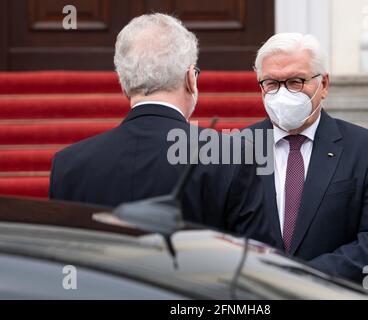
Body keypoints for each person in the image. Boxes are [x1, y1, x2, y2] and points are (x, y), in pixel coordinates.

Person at [49, 13, 271, 243]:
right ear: (190, 79)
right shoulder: (231, 155)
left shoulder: (69, 165)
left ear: (124, 85)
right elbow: (257, 256)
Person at [248, 33, 368, 284]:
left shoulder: (366, 149)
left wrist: (309, 276)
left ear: (324, 84)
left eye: (296, 81)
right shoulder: (234, 148)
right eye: (272, 83)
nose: (283, 93)